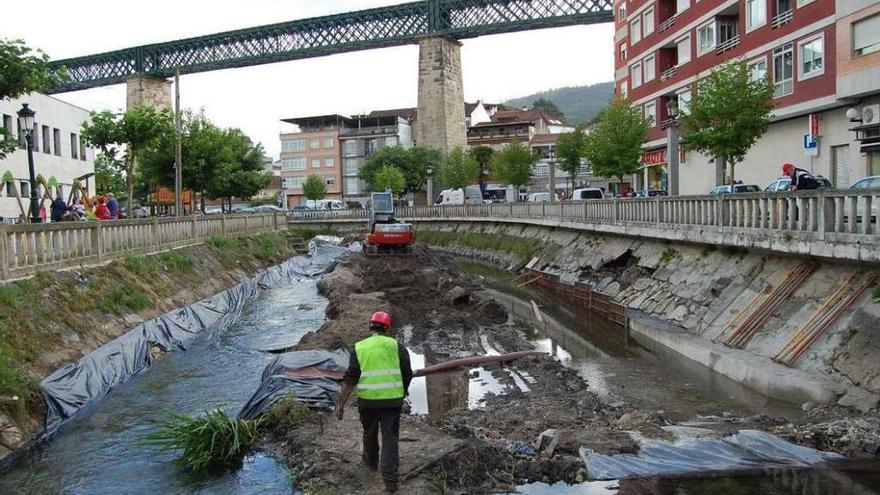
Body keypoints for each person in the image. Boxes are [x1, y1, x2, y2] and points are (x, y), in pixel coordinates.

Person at [336, 311, 413, 494]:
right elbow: (407, 373)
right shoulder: (397, 347)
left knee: (369, 432)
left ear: (370, 326)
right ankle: (391, 482)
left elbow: (350, 379)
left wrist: (341, 406)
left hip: (368, 402)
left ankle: (371, 463)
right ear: (387, 328)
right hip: (392, 402)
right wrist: (401, 393)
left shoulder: (359, 348)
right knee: (390, 438)